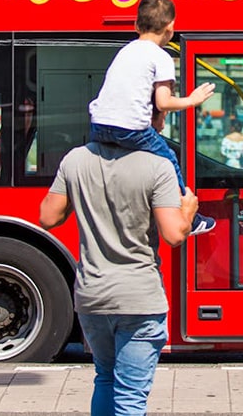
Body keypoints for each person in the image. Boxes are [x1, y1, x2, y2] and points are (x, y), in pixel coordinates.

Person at [38, 107, 199, 416]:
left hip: (92, 297)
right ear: (143, 122)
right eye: (161, 115)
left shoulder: (75, 160)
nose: (163, 123)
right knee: (131, 398)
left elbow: (48, 217)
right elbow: (174, 235)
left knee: (106, 378)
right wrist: (189, 211)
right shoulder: (158, 166)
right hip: (139, 299)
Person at [88, 0, 217, 235]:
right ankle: (185, 213)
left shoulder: (126, 51)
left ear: (137, 25)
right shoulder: (160, 56)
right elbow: (163, 101)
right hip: (130, 126)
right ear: (170, 28)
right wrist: (193, 100)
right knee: (168, 158)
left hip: (99, 124)